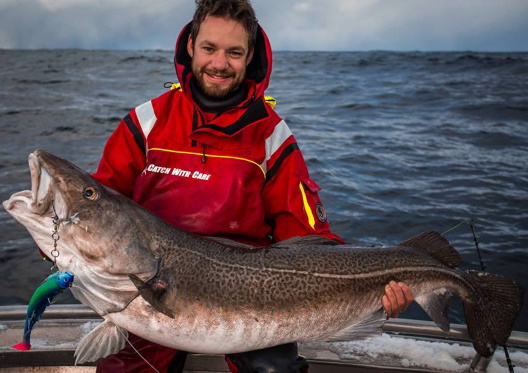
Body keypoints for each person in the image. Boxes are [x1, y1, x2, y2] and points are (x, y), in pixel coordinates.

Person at [91, 0, 413, 372]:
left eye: (234, 52)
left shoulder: (271, 135)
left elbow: (308, 238)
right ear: (191, 45)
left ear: (250, 57)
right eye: (210, 48)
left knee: (275, 370)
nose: (219, 64)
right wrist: (57, 241)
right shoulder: (146, 122)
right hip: (150, 287)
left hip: (251, 293)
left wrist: (375, 292)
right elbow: (99, 208)